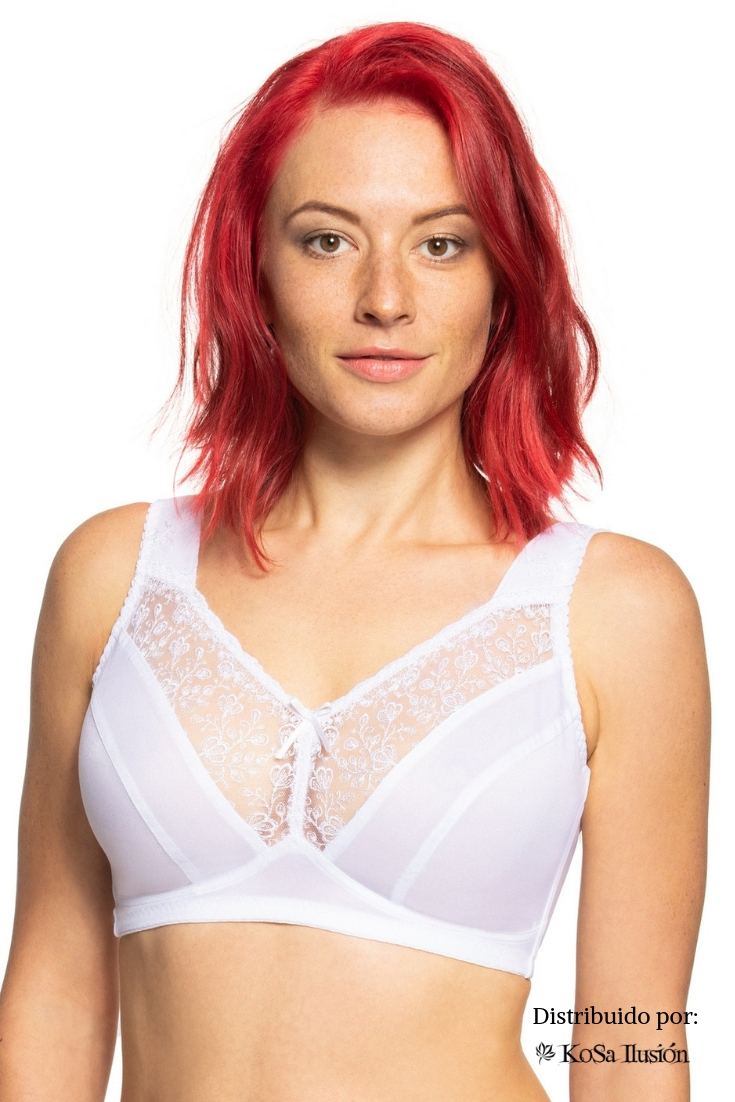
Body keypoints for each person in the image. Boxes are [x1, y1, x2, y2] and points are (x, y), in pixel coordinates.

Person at [0, 21, 708, 1102]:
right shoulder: (113, 576)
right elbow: (51, 993)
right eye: (328, 240)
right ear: (254, 267)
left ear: (506, 278)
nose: (386, 298)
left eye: (442, 244)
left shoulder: (614, 609)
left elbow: (629, 1041)